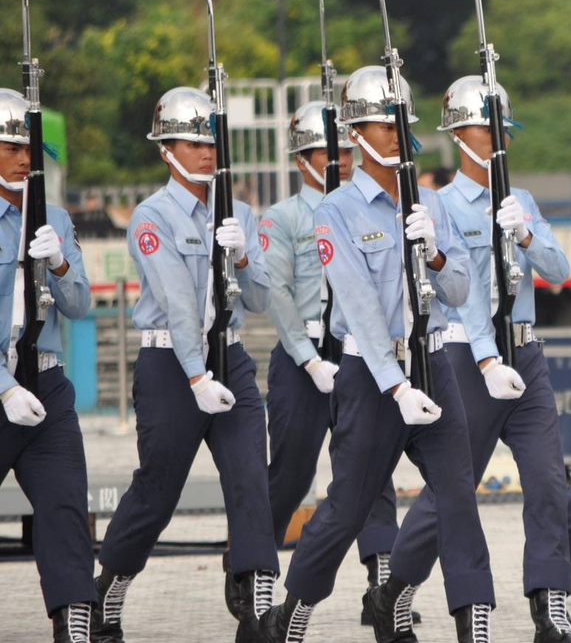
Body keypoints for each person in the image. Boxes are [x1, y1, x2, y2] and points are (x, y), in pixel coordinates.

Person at [257, 66, 496, 643]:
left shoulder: (432, 204)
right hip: (371, 376)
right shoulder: (334, 211)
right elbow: (360, 309)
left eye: (398, 122)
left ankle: (473, 622)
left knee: (459, 499)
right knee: (347, 508)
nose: (393, 133)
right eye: (377, 123)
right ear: (354, 132)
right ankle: (292, 612)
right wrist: (395, 386)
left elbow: (463, 292)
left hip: (433, 366)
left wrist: (436, 254)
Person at [384, 75, 571, 642]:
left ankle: (550, 605)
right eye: (486, 127)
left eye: (503, 129)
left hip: (528, 353)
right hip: (470, 360)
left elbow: (557, 271)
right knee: (454, 488)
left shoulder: (522, 202)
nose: (498, 138)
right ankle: (396, 586)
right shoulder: (437, 205)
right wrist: (490, 361)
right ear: (458, 133)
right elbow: (462, 295)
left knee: (547, 480)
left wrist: (524, 234)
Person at [93, 87, 277, 643]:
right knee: (158, 489)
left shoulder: (240, 211)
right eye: (192, 141)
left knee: (251, 476)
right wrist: (196, 375)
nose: (205, 152)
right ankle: (110, 583)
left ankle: (255, 600)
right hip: (171, 365)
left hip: (232, 356)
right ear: (166, 148)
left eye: (210, 141)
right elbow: (176, 300)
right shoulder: (152, 216)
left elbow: (263, 298)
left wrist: (243, 254)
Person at [259, 101, 406, 620]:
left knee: (370, 471)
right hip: (304, 360)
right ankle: (255, 574)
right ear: (302, 160)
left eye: (345, 149)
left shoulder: (367, 209)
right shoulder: (282, 218)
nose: (341, 160)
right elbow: (276, 294)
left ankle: (381, 586)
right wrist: (306, 358)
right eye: (327, 152)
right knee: (292, 473)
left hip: (356, 354)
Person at [0, 88, 96, 642]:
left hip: (47, 384)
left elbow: (79, 306)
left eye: (28, 147)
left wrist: (58, 260)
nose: (23, 157)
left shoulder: (54, 214)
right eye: (11, 146)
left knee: (64, 509)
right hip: (0, 387)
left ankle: (75, 624)